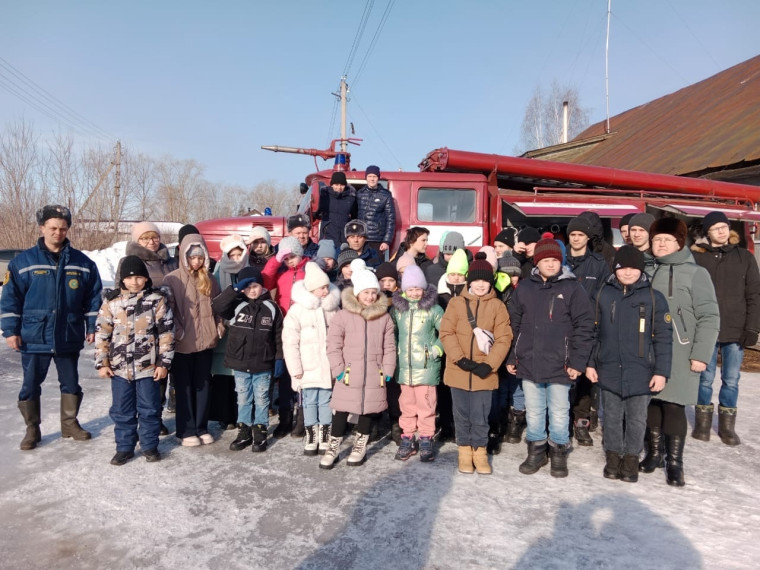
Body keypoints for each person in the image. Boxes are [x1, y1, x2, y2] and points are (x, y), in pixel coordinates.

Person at [2, 205, 103, 450]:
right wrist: (10, 330)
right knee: (30, 385)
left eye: (63, 228)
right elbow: (10, 298)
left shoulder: (83, 263)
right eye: (53, 228)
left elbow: (93, 298)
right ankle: (32, 429)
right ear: (42, 228)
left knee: (71, 383)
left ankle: (69, 424)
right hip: (34, 335)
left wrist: (91, 325)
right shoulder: (23, 262)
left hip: (68, 333)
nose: (58, 232)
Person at [506, 239, 594, 478]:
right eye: (546, 260)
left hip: (561, 363)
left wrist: (577, 362)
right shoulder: (525, 288)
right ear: (538, 263)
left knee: (559, 409)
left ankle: (558, 451)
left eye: (555, 260)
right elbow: (513, 324)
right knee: (534, 410)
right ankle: (536, 450)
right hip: (529, 361)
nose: (551, 264)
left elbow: (585, 326)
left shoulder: (573, 288)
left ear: (561, 261)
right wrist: (512, 356)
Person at [642, 217, 720, 487]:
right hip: (648, 348)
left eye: (667, 240)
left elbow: (709, 316)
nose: (661, 244)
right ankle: (654, 453)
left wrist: (701, 354)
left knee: (674, 405)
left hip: (681, 348)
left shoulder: (696, 273)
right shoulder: (647, 269)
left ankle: (674, 462)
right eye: (656, 240)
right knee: (651, 400)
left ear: (679, 242)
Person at [586, 246, 672, 482]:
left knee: (636, 419)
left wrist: (661, 372)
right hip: (609, 367)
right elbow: (592, 332)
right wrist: (591, 363)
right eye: (623, 268)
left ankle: (631, 459)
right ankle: (613, 458)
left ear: (641, 270)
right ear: (616, 268)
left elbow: (664, 338)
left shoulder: (654, 297)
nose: (628, 272)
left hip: (641, 370)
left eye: (633, 268)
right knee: (611, 417)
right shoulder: (603, 293)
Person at [95, 256, 175, 465]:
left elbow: (166, 333)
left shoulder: (156, 300)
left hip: (148, 367)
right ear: (122, 279)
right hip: (119, 369)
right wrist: (102, 363)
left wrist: (163, 363)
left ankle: (149, 446)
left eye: (140, 277)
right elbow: (102, 334)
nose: (135, 282)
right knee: (122, 410)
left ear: (146, 279)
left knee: (149, 409)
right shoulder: (112, 302)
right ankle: (124, 447)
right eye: (130, 278)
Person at [691, 211, 760, 446]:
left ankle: (727, 427)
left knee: (731, 379)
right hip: (706, 328)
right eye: (715, 228)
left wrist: (753, 327)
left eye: (724, 226)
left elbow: (754, 294)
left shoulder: (744, 257)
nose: (721, 231)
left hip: (736, 326)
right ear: (707, 232)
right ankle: (702, 424)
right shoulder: (697, 257)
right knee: (705, 378)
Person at [440, 252, 512, 475]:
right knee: (461, 414)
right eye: (477, 280)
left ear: (491, 282)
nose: (481, 285)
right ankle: (464, 450)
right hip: (457, 369)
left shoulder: (498, 306)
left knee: (480, 416)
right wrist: (459, 358)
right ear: (469, 281)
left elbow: (504, 338)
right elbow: (446, 332)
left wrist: (489, 365)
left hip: (484, 373)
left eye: (485, 281)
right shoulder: (456, 303)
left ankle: (479, 451)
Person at [320, 267, 396, 469]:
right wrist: (338, 369)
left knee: (368, 409)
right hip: (348, 372)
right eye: (366, 292)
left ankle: (359, 444)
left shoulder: (384, 317)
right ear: (357, 293)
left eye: (373, 292)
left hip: (374, 372)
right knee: (342, 410)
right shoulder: (343, 316)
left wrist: (387, 370)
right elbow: (333, 345)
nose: (370, 297)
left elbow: (389, 347)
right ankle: (333, 446)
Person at [212, 267, 283, 453]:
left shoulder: (272, 308)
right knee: (243, 398)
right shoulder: (236, 306)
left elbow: (278, 337)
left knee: (261, 399)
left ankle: (260, 432)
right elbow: (217, 306)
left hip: (263, 364)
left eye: (256, 286)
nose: (252, 290)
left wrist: (278, 359)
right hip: (240, 363)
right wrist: (235, 289)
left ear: (262, 287)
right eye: (248, 287)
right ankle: (244, 431)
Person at [117, 221, 178, 434]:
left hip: (168, 322)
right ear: (137, 241)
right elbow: (120, 293)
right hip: (140, 329)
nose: (151, 242)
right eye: (145, 238)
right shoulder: (131, 261)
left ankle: (156, 416)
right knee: (144, 376)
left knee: (163, 372)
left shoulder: (170, 261)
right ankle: (138, 418)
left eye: (154, 237)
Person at [163, 233, 223, 447]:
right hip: (182, 344)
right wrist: (178, 333)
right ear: (184, 256)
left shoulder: (210, 279)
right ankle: (186, 429)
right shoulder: (172, 279)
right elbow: (168, 311)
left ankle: (201, 426)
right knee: (184, 386)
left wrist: (219, 325)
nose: (196, 261)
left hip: (206, 341)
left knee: (203, 384)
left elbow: (218, 307)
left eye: (200, 257)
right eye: (192, 257)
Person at [282, 262, 341, 456]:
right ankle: (311, 434)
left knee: (326, 400)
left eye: (326, 286)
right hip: (307, 367)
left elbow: (341, 337)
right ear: (311, 289)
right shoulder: (297, 311)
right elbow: (290, 342)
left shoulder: (332, 309)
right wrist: (295, 368)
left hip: (326, 366)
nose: (326, 290)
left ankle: (325, 433)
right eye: (322, 287)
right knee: (308, 402)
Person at [564, 215, 611, 446]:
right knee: (562, 375)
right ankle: (562, 420)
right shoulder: (560, 261)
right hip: (562, 327)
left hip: (589, 327)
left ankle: (581, 421)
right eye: (572, 235)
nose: (576, 239)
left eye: (580, 235)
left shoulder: (599, 264)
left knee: (584, 377)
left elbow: (604, 296)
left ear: (587, 237)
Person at [391, 265, 444, 462]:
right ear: (404, 290)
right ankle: (407, 438)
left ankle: (426, 438)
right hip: (405, 367)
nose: (414, 293)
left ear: (424, 289)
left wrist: (437, 349)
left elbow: (445, 332)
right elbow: (393, 333)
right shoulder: (397, 310)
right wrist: (395, 350)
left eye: (417, 289)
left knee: (426, 404)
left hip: (426, 367)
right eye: (410, 289)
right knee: (407, 404)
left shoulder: (433, 309)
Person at [262, 236, 309, 437]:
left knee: (303, 374)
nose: (289, 261)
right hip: (284, 329)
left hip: (305, 327)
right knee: (284, 376)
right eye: (286, 257)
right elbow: (265, 279)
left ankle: (302, 418)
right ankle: (285, 418)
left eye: (292, 256)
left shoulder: (310, 270)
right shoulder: (280, 273)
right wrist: (276, 260)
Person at [210, 234, 250, 431]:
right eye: (232, 255)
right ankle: (224, 416)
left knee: (240, 376)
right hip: (225, 328)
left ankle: (239, 414)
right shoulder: (219, 270)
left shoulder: (249, 269)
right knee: (223, 375)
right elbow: (215, 298)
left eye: (238, 253)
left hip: (244, 328)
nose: (236, 258)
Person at [357, 165, 395, 253]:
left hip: (377, 240)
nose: (372, 179)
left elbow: (391, 219)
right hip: (361, 238)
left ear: (378, 178)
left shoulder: (385, 195)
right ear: (366, 178)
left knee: (376, 266)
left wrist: (386, 241)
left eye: (374, 176)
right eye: (369, 176)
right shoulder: (359, 194)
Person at [316, 171, 357, 247]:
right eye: (336, 184)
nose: (339, 187)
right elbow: (315, 211)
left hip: (344, 238)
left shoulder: (351, 197)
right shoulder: (324, 196)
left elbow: (355, 216)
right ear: (332, 185)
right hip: (327, 235)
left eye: (342, 185)